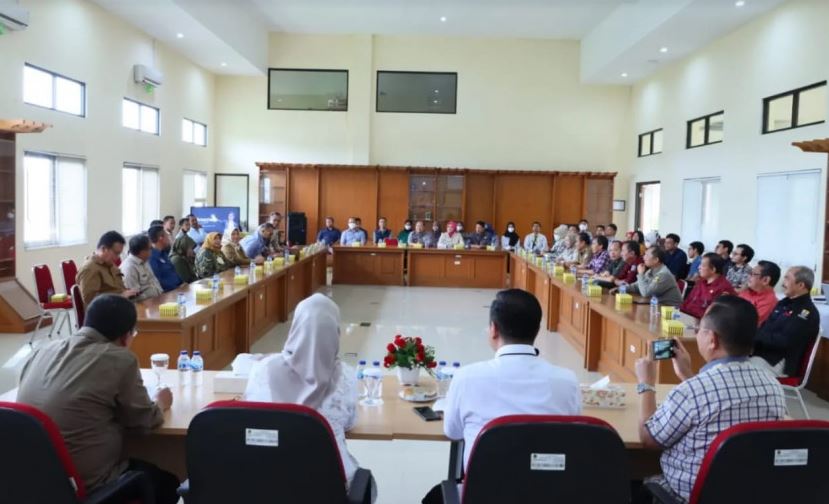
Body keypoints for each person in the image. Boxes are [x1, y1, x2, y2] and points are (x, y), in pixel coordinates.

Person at [17, 294, 178, 503]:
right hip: (85, 485)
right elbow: (146, 421)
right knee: (168, 482)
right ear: (125, 337)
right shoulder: (120, 358)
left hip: (30, 480)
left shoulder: (41, 351)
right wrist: (161, 402)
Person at [424, 289, 580, 503]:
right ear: (537, 330)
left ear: (493, 329)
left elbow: (453, 432)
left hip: (484, 494)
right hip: (546, 494)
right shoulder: (567, 381)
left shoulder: (467, 377)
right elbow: (572, 436)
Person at [634, 296, 786, 502]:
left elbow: (649, 439)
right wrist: (687, 373)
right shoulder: (772, 386)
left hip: (688, 495)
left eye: (699, 329)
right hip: (746, 492)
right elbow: (720, 401)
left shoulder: (692, 392)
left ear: (712, 339)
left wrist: (647, 383)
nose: (697, 334)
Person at [245, 294, 375, 500]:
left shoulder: (262, 369)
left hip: (269, 481)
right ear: (336, 334)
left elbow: (251, 417)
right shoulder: (346, 376)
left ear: (295, 329)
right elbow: (350, 423)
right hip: (329, 486)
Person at [751, 266, 820, 377]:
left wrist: (754, 336)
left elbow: (784, 341)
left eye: (787, 279)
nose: (783, 283)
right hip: (763, 353)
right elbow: (765, 327)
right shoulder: (784, 303)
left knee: (740, 370)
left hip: (778, 360)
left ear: (801, 285)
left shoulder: (806, 312)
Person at [77, 231, 138, 306]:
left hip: (119, 307)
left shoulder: (111, 266)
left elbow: (118, 289)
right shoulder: (90, 269)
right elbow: (90, 301)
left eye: (119, 254)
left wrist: (128, 292)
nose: (118, 257)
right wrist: (121, 296)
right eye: (116, 253)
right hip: (106, 314)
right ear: (103, 249)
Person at [680, 253, 736, 318]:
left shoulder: (724, 288)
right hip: (686, 315)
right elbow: (689, 299)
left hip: (701, 321)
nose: (699, 267)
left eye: (703, 265)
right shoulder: (701, 281)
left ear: (713, 269)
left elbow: (714, 316)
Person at [119, 234, 163, 302]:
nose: (152, 251)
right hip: (143, 306)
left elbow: (154, 281)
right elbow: (134, 298)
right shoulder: (129, 268)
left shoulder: (144, 261)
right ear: (142, 252)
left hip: (157, 299)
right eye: (150, 248)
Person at [739, 260, 781, 326]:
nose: (749, 276)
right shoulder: (747, 291)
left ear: (765, 280)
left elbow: (748, 324)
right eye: (750, 273)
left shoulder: (770, 302)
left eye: (753, 274)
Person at [170, 219, 198, 283]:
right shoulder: (177, 260)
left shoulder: (185, 257)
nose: (192, 251)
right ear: (183, 247)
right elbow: (186, 280)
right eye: (190, 248)